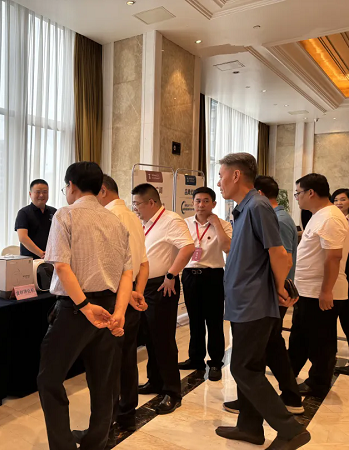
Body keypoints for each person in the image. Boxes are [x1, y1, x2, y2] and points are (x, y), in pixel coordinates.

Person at [214, 153, 309, 450]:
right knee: (250, 366)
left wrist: (279, 287)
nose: (218, 183)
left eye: (221, 176)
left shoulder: (257, 205)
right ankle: (250, 427)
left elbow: (279, 254)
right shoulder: (244, 208)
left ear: (236, 175)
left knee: (243, 368)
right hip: (244, 302)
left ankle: (291, 430)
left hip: (254, 304)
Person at [37, 162, 133, 450]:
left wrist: (85, 306)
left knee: (49, 378)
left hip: (76, 308)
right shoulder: (115, 221)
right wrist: (119, 313)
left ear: (72, 186)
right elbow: (127, 273)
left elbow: (61, 266)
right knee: (103, 380)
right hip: (109, 306)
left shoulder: (65, 214)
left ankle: (63, 445)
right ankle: (96, 442)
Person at [223, 175, 304, 415]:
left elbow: (283, 258)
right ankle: (256, 405)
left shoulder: (271, 215)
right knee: (266, 349)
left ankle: (289, 400)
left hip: (267, 295)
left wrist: (279, 288)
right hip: (262, 294)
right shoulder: (260, 212)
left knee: (266, 350)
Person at [132, 183, 194, 414]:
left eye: (138, 204)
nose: (135, 208)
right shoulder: (145, 222)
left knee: (163, 339)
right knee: (149, 336)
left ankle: (172, 391)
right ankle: (155, 380)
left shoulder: (171, 220)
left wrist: (171, 274)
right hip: (144, 285)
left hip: (161, 285)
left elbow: (187, 247)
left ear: (151, 202)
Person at [97, 174, 149, 432]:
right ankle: (127, 415)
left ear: (102, 190)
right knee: (128, 360)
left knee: (109, 365)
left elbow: (114, 267)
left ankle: (105, 424)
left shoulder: (108, 217)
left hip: (115, 299)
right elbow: (143, 263)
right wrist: (137, 294)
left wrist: (127, 295)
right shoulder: (134, 216)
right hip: (131, 296)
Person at [288, 174, 349, 397]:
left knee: (320, 341)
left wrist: (325, 291)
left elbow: (333, 257)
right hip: (309, 290)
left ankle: (318, 383)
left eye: (298, 193)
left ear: (311, 192)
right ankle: (290, 374)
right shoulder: (320, 215)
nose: (297, 198)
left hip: (319, 291)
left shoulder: (330, 217)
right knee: (302, 336)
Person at [178, 186, 232, 382]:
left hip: (213, 276)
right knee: (195, 320)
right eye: (198, 201)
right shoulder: (185, 224)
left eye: (206, 201)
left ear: (214, 204)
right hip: (190, 275)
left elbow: (228, 247)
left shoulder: (224, 224)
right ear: (193, 203)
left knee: (214, 321)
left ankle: (216, 362)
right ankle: (196, 358)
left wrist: (215, 223)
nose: (201, 205)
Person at [15, 179, 57, 259]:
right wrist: (41, 254)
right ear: (30, 194)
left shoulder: (54, 212)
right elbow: (23, 238)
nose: (41, 195)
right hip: (29, 260)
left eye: (45, 192)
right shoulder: (23, 213)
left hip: (50, 258)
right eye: (38, 192)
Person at [331, 188, 349, 375]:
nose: (338, 203)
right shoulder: (336, 220)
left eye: (342, 199)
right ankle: (331, 356)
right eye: (336, 200)